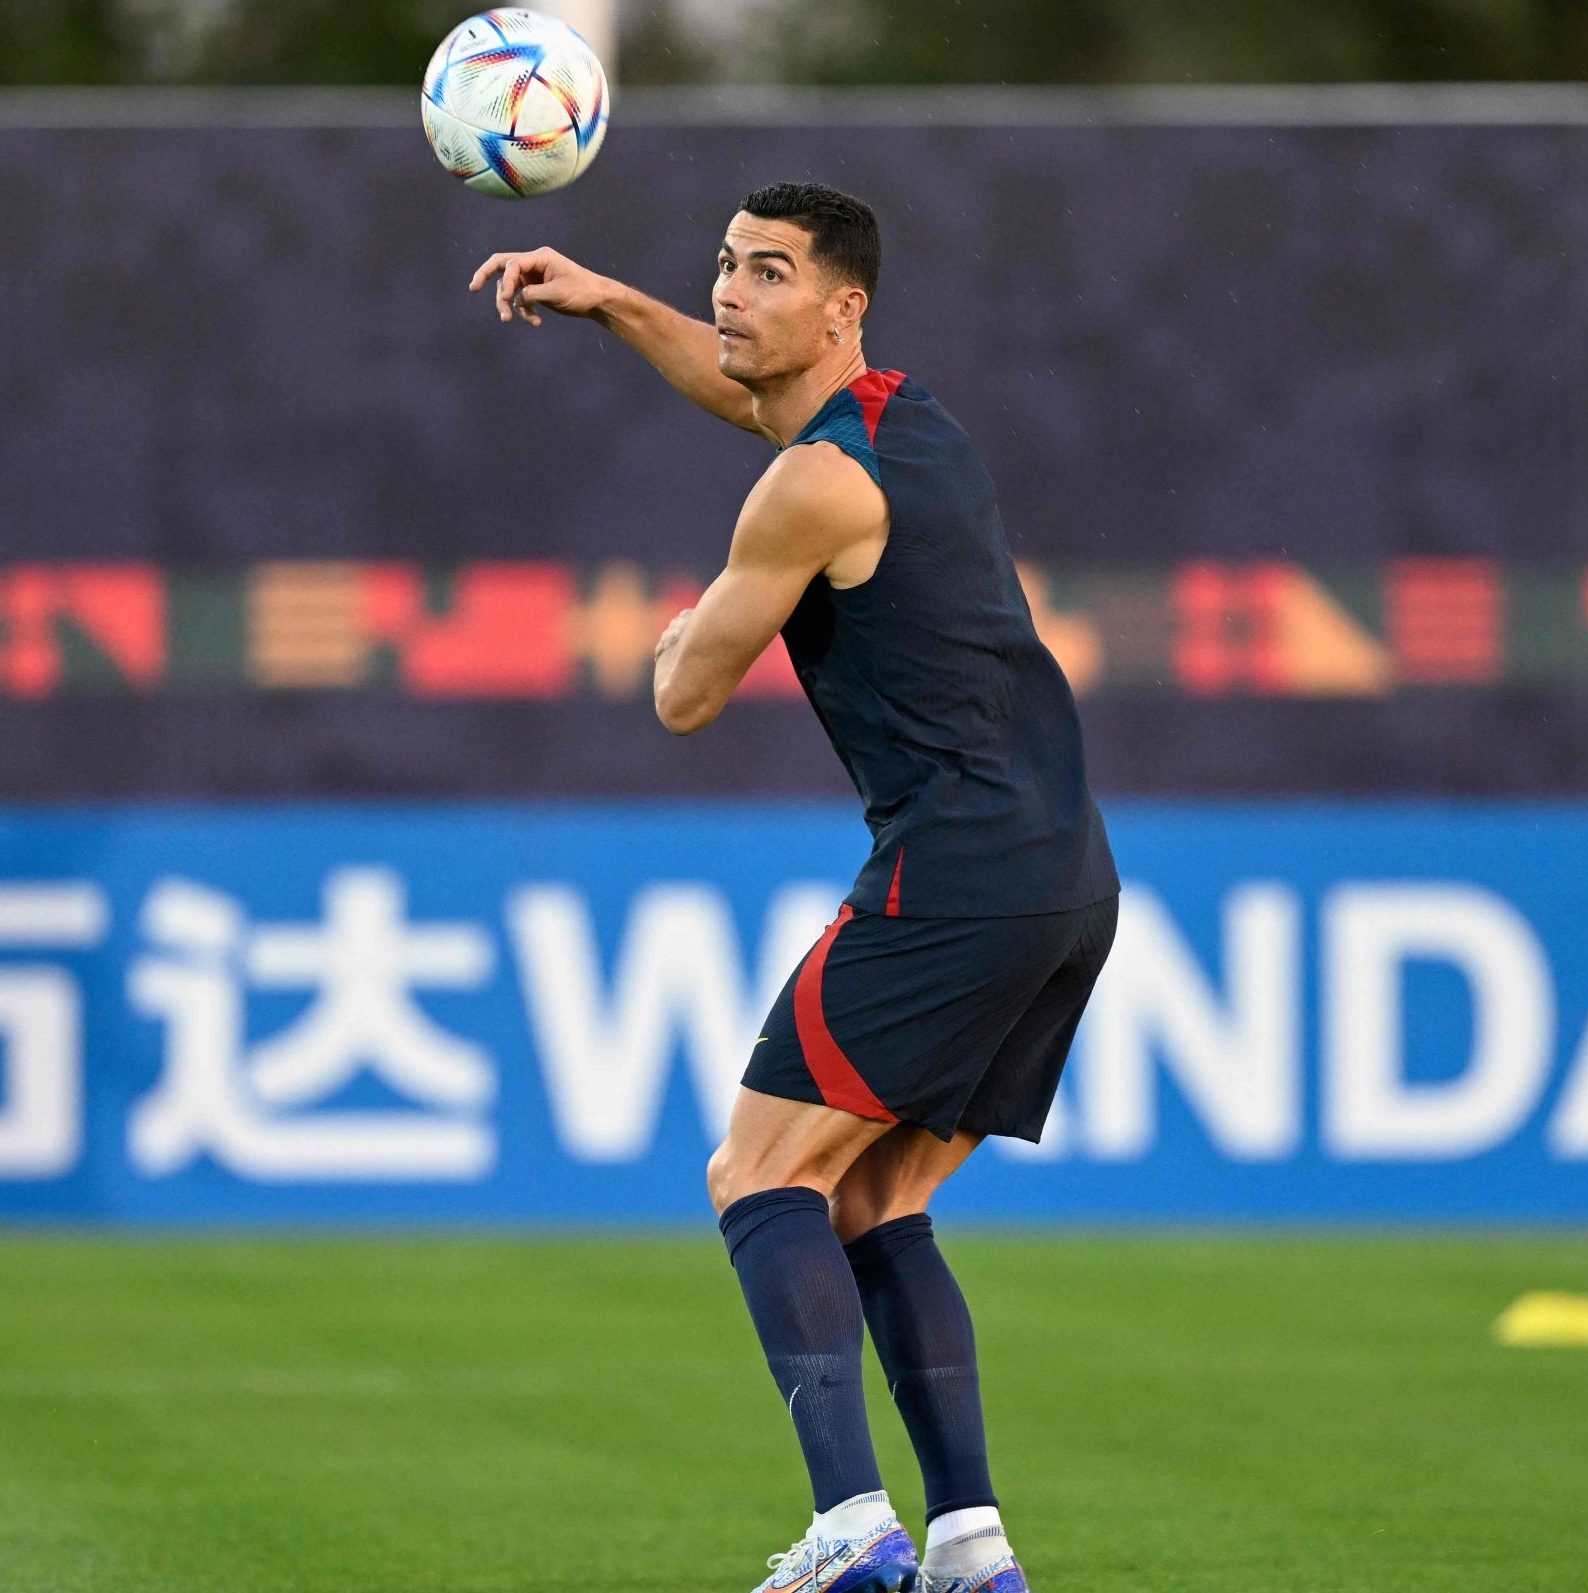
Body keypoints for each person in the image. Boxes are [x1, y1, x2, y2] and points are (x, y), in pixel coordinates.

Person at [470, 182, 1118, 1593]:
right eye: (721, 267)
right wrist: (616, 301)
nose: (730, 295)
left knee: (756, 1172)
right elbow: (748, 395)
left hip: (951, 872)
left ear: (843, 307)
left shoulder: (809, 485)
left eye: (768, 273)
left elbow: (685, 699)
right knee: (875, 1193)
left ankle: (847, 1530)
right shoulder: (906, 423)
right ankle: (969, 1541)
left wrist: (679, 629)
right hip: (1066, 873)